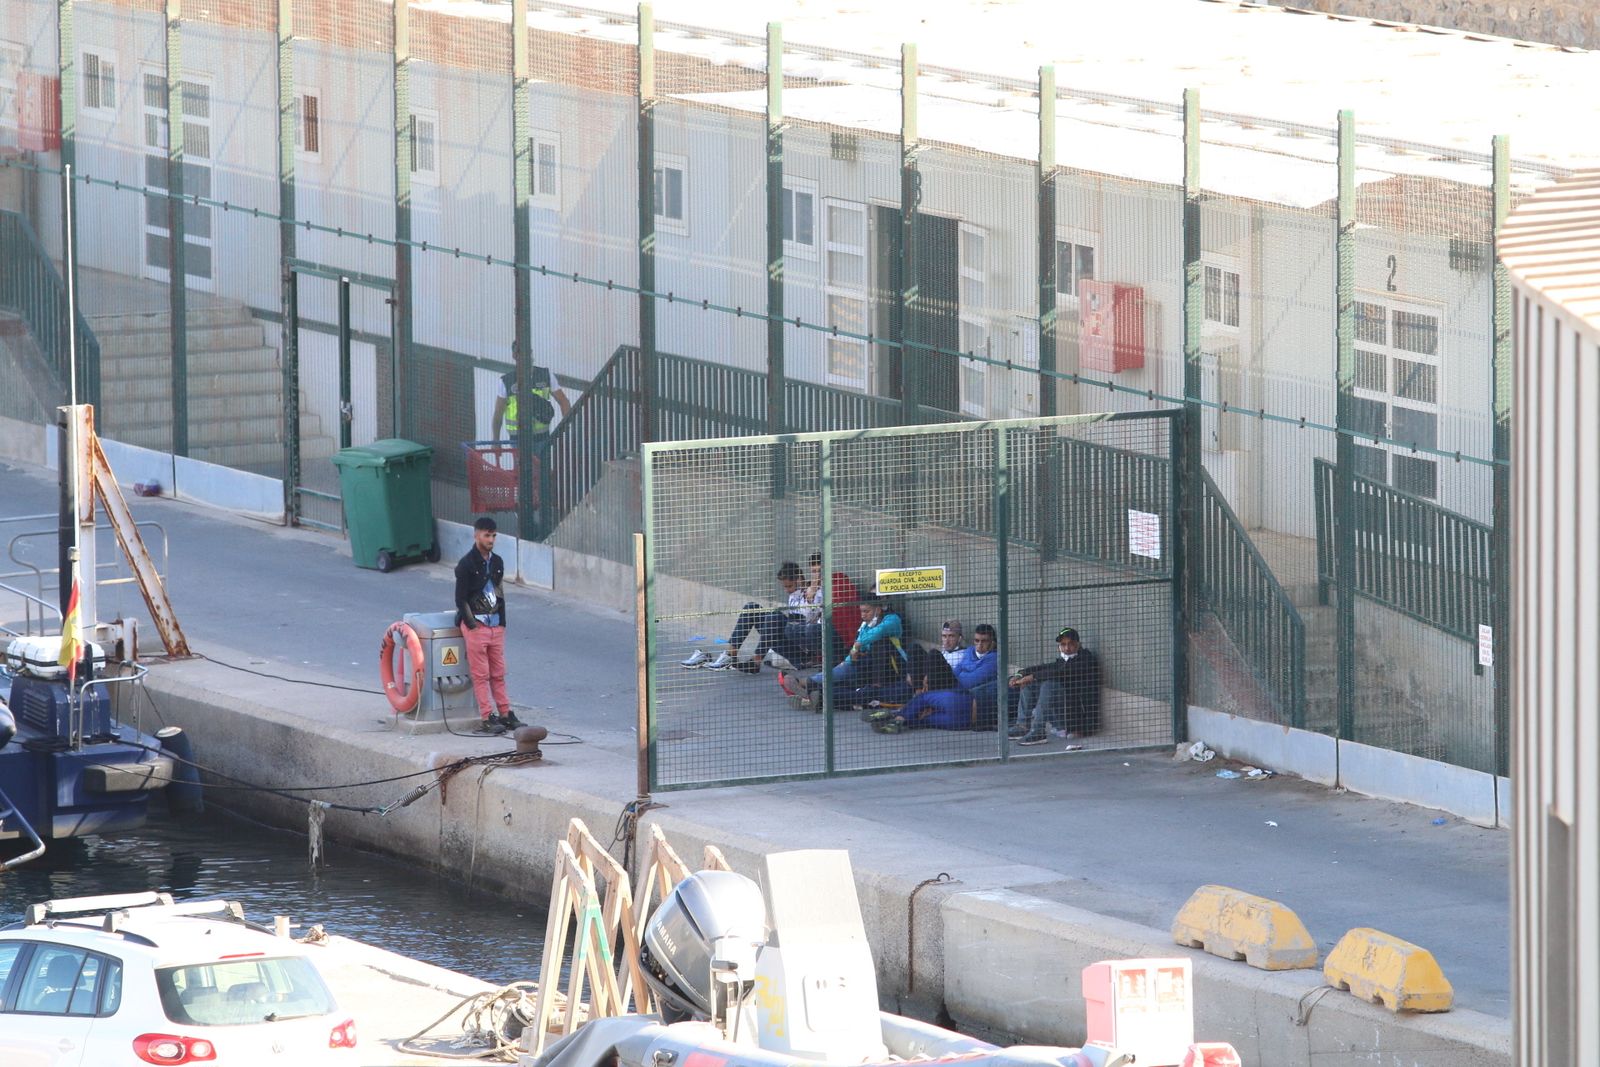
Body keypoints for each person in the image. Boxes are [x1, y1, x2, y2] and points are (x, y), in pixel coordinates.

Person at [455, 516, 524, 734]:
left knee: (498, 673)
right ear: (476, 535)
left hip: (495, 626)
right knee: (481, 674)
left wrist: (502, 622)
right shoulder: (466, 564)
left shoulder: (497, 562)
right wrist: (472, 625)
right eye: (487, 535)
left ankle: (505, 714)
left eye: (493, 535)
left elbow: (499, 593)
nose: (491, 539)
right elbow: (460, 598)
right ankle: (487, 717)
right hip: (478, 625)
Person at [680, 561, 810, 673]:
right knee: (751, 607)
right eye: (785, 587)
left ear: (799, 579)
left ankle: (756, 660)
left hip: (802, 649)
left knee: (775, 615)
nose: (787, 590)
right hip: (789, 639)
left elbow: (809, 619)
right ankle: (731, 654)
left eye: (789, 586)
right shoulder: (793, 595)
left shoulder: (813, 593)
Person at [873, 622, 999, 733]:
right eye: (977, 640)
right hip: (954, 694)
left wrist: (961, 673)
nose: (979, 645)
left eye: (984, 641)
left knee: (933, 658)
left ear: (992, 643)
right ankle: (895, 720)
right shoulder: (970, 652)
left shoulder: (993, 659)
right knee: (923, 718)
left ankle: (898, 716)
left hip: (960, 694)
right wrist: (929, 675)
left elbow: (968, 681)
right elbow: (957, 672)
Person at [789, 596, 906, 711]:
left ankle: (809, 687)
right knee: (845, 678)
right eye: (861, 611)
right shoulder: (865, 625)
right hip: (867, 667)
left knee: (877, 646)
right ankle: (812, 694)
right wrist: (848, 660)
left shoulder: (892, 619)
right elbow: (857, 646)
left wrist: (857, 646)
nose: (863, 615)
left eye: (866, 611)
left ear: (878, 610)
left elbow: (878, 632)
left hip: (890, 669)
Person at [1007, 627, 1102, 746]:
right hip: (1062, 717)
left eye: (1071, 644)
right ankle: (1022, 726)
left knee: (1049, 685)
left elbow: (1059, 673)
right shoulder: (1064, 661)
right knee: (1030, 684)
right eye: (1063, 644)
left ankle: (1038, 732)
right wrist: (1020, 674)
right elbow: (1045, 668)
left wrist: (1032, 676)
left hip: (1077, 722)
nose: (1067, 648)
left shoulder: (1086, 660)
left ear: (1078, 644)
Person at [491, 363, 557, 443]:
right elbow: (498, 413)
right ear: (515, 356)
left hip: (542, 438)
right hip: (518, 439)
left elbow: (564, 401)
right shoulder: (507, 381)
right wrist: (496, 440)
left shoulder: (545, 375)